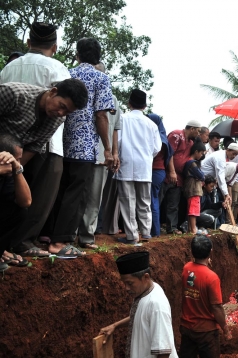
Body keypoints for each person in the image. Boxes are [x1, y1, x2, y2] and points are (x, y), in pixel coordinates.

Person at [0, 22, 82, 257]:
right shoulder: (58, 68)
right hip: (43, 145)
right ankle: (22, 242)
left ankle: (6, 244)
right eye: (62, 107)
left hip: (14, 143)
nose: (62, 113)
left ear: (29, 43)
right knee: (36, 197)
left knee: (10, 194)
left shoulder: (10, 67)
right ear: (54, 47)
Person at [44, 37, 114, 257]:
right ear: (98, 56)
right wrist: (108, 148)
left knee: (57, 190)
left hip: (59, 142)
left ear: (78, 54)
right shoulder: (101, 78)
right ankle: (61, 240)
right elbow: (101, 115)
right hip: (83, 146)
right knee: (76, 194)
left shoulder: (67, 73)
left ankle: (46, 235)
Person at [99, 252, 178, 358]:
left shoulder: (156, 305)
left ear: (145, 277)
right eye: (124, 283)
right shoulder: (148, 290)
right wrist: (115, 326)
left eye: (130, 283)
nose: (126, 288)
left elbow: (163, 352)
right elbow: (139, 316)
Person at [78, 62, 123, 249]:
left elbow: (115, 128)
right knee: (76, 194)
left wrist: (114, 152)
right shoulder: (80, 93)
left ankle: (87, 236)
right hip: (79, 152)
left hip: (101, 156)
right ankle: (68, 233)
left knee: (95, 198)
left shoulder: (112, 100)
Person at [114, 89, 161, 244]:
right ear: (145, 105)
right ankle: (146, 232)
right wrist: (147, 157)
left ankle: (132, 235)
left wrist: (118, 155)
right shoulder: (152, 124)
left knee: (127, 201)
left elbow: (118, 141)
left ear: (129, 103)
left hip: (126, 163)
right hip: (144, 166)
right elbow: (157, 148)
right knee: (144, 200)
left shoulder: (123, 119)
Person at [180, 235, 231, 357]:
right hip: (206, 331)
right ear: (211, 252)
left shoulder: (186, 268)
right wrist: (225, 329)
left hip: (186, 327)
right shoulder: (211, 277)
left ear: (192, 251)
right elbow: (216, 307)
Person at [163, 120, 201, 234]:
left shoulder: (191, 143)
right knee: (158, 201)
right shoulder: (176, 135)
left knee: (173, 204)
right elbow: (169, 153)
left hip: (179, 178)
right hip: (167, 174)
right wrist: (172, 171)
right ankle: (149, 226)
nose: (198, 134)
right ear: (192, 129)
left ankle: (172, 228)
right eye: (198, 131)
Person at [0, 134, 32, 270]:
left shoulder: (10, 172)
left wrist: (17, 169)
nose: (19, 162)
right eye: (16, 159)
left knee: (19, 211)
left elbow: (26, 202)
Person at [148, 113, 172, 237]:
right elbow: (170, 155)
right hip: (160, 171)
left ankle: (153, 231)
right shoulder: (164, 138)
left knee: (151, 201)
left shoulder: (154, 137)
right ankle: (154, 231)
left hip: (153, 171)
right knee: (154, 200)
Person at [200, 143, 238, 208]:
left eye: (236, 155)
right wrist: (226, 194)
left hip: (207, 182)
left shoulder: (223, 156)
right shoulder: (220, 157)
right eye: (233, 153)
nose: (234, 156)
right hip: (203, 182)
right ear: (228, 150)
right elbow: (221, 177)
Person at [182, 142, 207, 234]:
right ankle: (193, 229)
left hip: (189, 189)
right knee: (194, 210)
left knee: (190, 209)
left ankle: (190, 229)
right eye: (201, 153)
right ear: (196, 152)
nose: (201, 155)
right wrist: (202, 176)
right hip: (194, 189)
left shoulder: (189, 162)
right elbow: (201, 176)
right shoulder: (192, 163)